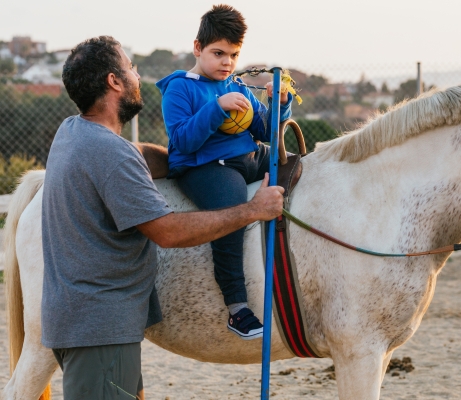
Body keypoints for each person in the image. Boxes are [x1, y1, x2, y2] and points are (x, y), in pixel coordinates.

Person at [42, 35, 284, 400]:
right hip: (102, 329)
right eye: (131, 68)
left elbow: (135, 154)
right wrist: (254, 209)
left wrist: (182, 164)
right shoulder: (112, 154)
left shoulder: (71, 133)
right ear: (114, 81)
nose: (137, 75)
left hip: (77, 324)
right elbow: (167, 231)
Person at [156, 4, 293, 340]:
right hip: (205, 166)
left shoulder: (238, 84)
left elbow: (265, 131)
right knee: (232, 209)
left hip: (250, 155)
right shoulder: (180, 88)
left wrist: (279, 104)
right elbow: (184, 140)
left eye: (233, 55)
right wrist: (217, 107)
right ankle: (237, 307)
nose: (227, 62)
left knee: (298, 166)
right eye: (218, 53)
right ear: (198, 48)